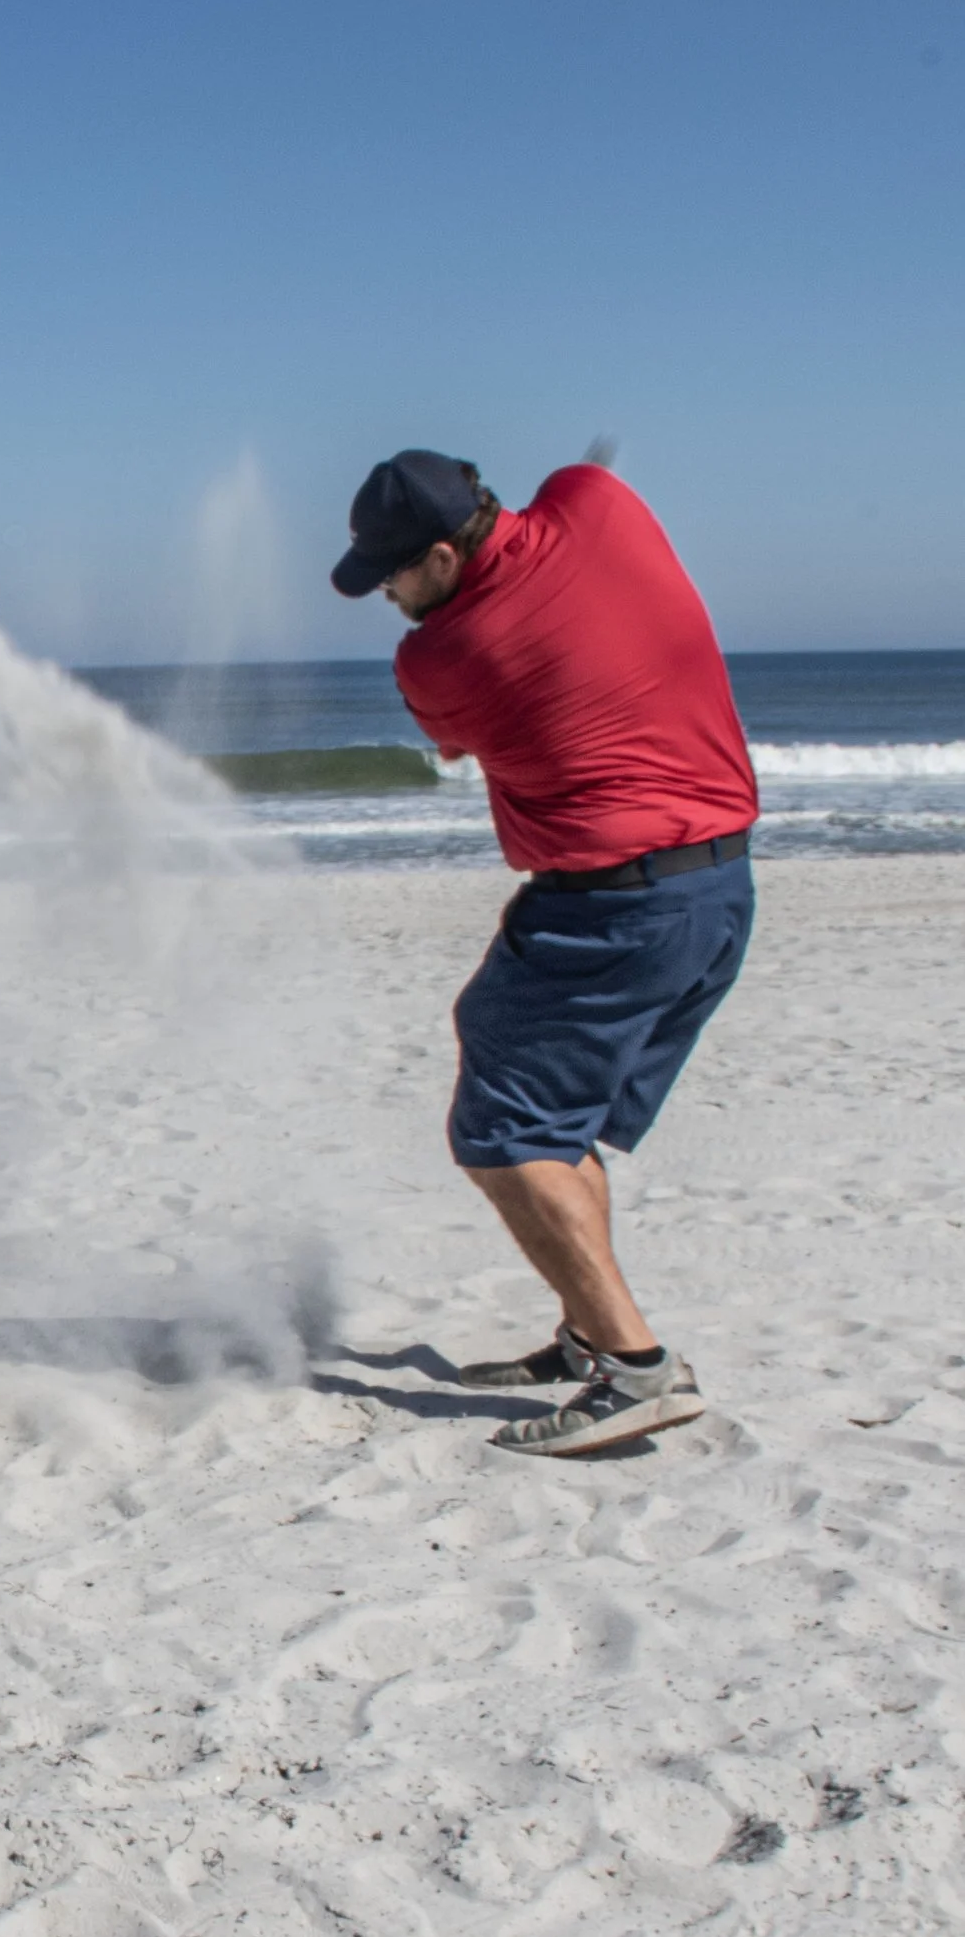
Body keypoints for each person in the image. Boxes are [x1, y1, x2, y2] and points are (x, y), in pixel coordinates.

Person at [332, 449, 757, 1457]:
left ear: (441, 553)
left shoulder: (437, 656)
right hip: (717, 891)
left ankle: (637, 1367)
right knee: (542, 1108)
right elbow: (587, 480)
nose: (387, 593)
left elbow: (449, 743)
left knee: (503, 1131)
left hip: (611, 913)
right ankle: (588, 1339)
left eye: (393, 573)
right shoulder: (595, 499)